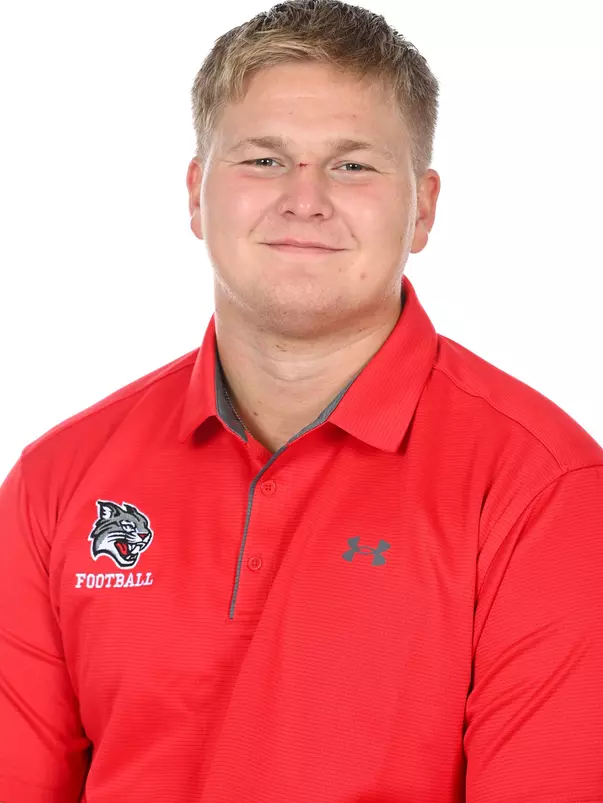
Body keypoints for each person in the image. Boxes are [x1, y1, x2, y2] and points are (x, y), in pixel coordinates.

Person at [1, 0, 602, 800]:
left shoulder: (543, 488)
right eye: (262, 160)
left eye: (352, 165)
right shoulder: (57, 479)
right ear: (195, 192)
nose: (304, 198)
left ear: (421, 207)